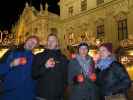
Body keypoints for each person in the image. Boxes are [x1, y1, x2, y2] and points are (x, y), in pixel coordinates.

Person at [0, 36, 39, 100]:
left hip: (26, 96)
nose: (31, 43)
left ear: (35, 47)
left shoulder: (35, 59)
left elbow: (36, 77)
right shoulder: (11, 53)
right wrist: (11, 64)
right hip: (8, 94)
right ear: (26, 40)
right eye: (31, 40)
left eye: (34, 43)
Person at [32, 33, 68, 100]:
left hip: (58, 96)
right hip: (42, 96)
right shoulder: (39, 56)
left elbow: (65, 76)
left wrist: (62, 91)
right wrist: (45, 66)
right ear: (47, 42)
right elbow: (34, 74)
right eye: (49, 40)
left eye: (53, 40)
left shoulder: (63, 58)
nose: (51, 42)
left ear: (57, 43)